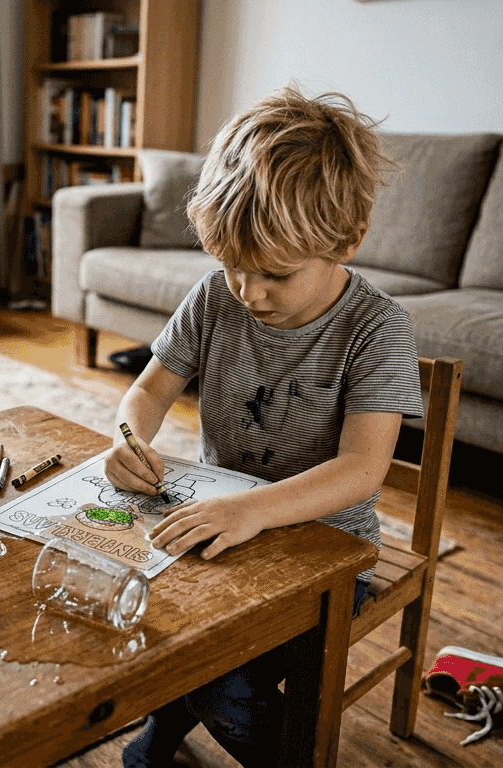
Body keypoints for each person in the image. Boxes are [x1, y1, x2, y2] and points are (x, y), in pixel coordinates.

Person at [106, 85, 425, 768]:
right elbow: (148, 389)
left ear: (346, 239)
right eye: (231, 267)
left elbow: (361, 470)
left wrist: (252, 509)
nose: (249, 292)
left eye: (275, 274)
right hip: (221, 525)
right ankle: (169, 723)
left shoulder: (378, 328)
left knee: (222, 678)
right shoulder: (216, 297)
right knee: (142, 613)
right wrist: (128, 438)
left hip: (328, 552)